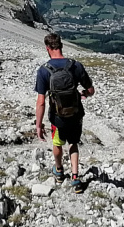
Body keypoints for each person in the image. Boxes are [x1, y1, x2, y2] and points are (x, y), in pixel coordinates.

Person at [34, 33, 94, 193]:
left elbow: (40, 101)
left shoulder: (44, 70)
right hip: (75, 114)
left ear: (48, 49)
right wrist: (84, 94)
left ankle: (59, 171)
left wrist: (38, 125)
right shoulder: (76, 66)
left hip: (57, 117)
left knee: (57, 143)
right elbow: (90, 90)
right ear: (61, 46)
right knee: (73, 144)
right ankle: (75, 178)